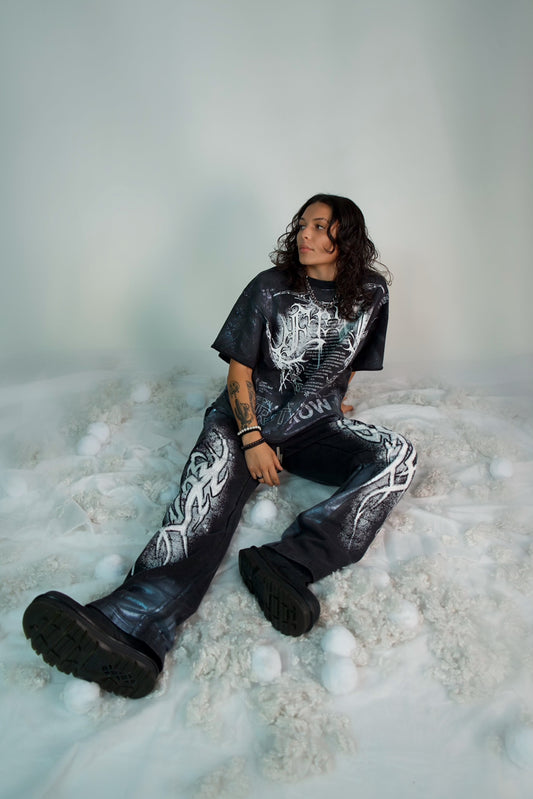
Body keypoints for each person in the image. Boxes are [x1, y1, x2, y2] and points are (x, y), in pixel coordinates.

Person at [23, 194, 417, 699]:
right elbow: (239, 373)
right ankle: (131, 627)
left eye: (320, 226)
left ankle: (288, 564)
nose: (305, 234)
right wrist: (252, 439)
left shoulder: (372, 292)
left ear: (348, 235)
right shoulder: (269, 288)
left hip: (314, 426)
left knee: (397, 456)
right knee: (200, 507)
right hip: (243, 421)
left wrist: (331, 401)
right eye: (302, 224)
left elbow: (353, 356)